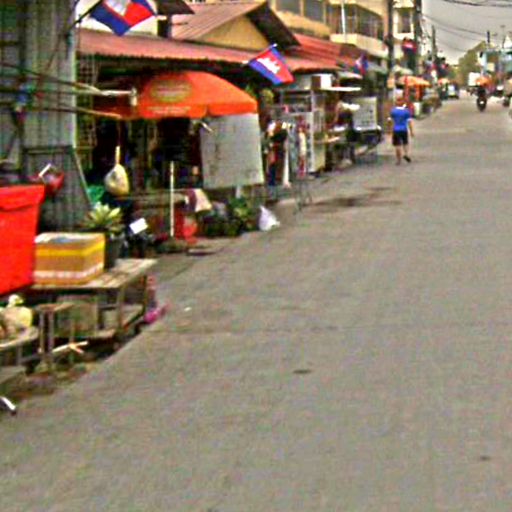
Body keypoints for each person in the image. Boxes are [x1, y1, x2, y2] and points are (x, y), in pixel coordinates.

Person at [389, 97, 414, 165]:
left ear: (396, 102)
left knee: (397, 145)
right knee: (405, 143)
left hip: (396, 130)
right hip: (404, 129)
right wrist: (411, 131)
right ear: (403, 102)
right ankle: (406, 154)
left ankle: (398, 160)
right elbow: (409, 122)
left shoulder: (393, 111)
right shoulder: (406, 111)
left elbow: (391, 121)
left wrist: (390, 130)